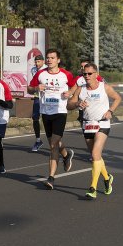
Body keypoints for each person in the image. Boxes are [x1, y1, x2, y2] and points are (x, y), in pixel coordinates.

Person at [68, 63, 122, 200]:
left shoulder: (104, 87)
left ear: (96, 74)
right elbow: (69, 104)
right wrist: (77, 104)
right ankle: (107, 178)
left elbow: (117, 98)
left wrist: (110, 111)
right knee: (96, 157)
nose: (87, 76)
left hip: (102, 123)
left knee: (95, 154)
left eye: (89, 74)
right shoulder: (81, 89)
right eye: (84, 74)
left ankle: (92, 188)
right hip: (87, 124)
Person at [27, 48, 77, 190]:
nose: (49, 60)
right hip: (46, 112)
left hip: (60, 112)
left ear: (58, 60)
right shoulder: (40, 74)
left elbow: (75, 85)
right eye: (48, 58)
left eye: (52, 58)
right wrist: (37, 87)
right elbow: (29, 88)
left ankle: (51, 177)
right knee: (53, 143)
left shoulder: (65, 74)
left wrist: (70, 93)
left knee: (53, 145)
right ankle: (66, 155)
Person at [30, 55, 45, 152]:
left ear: (43, 61)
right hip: (37, 96)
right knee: (35, 118)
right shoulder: (33, 70)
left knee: (48, 118)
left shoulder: (46, 69)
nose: (37, 63)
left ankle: (54, 140)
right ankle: (38, 140)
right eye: (36, 62)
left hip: (46, 97)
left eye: (39, 61)